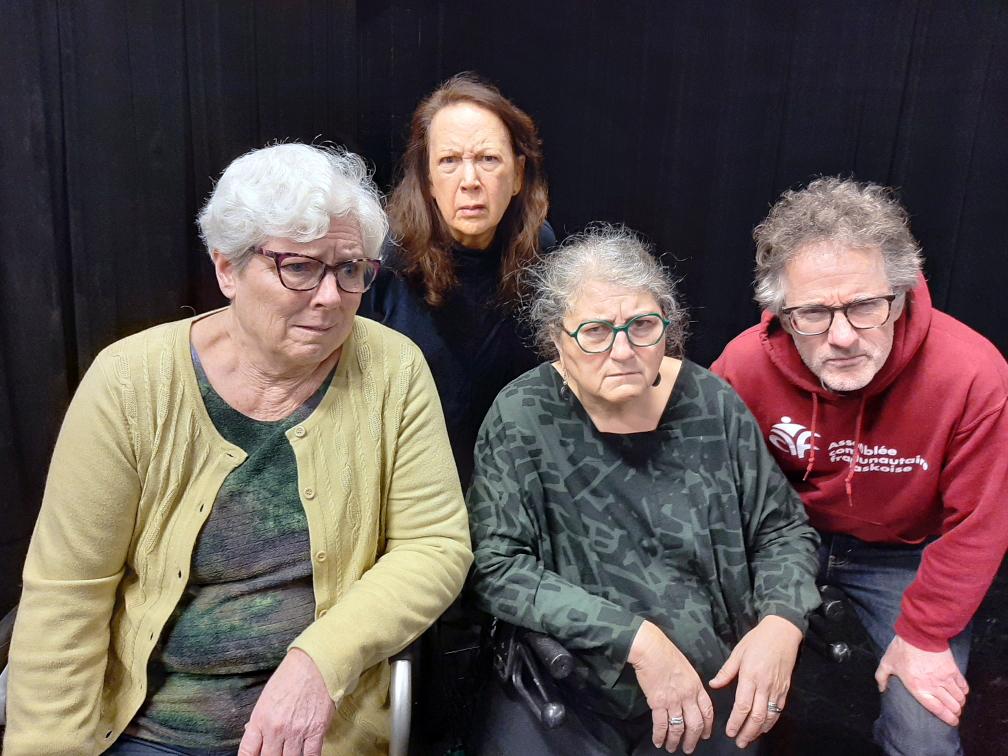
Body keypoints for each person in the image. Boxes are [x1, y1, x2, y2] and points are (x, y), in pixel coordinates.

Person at [3, 143, 473, 756]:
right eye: (299, 267)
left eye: (349, 269)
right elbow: (69, 593)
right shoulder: (128, 383)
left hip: (324, 729)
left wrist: (321, 660)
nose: (331, 296)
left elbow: (434, 544)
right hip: (151, 731)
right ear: (228, 269)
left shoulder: (394, 369)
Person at [467, 225, 821, 756]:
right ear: (557, 338)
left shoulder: (711, 403)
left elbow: (781, 531)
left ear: (667, 326)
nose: (623, 350)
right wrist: (639, 640)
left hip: (708, 672)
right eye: (595, 331)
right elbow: (496, 567)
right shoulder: (522, 414)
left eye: (643, 326)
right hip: (571, 682)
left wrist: (781, 621)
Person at [711, 177, 1008, 756]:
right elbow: (712, 494)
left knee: (924, 737)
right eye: (813, 313)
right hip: (780, 543)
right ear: (780, 312)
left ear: (901, 295)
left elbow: (980, 525)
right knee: (716, 699)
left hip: (905, 556)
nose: (843, 337)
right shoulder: (743, 365)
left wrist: (924, 636)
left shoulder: (973, 374)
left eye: (866, 306)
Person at [359, 72, 553, 489]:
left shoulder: (540, 248)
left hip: (508, 477)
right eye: (449, 161)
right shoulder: (381, 260)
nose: (470, 181)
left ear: (518, 175)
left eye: (488, 159)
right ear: (428, 179)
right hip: (406, 481)